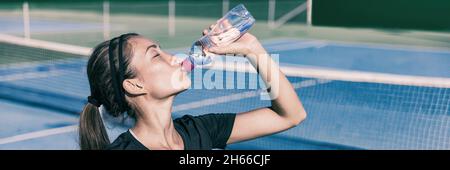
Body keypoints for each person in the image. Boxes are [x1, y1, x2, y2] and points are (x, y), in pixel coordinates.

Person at [79, 26, 306, 150]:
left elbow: (290, 115)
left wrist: (252, 49)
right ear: (134, 84)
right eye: (156, 55)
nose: (175, 58)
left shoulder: (199, 131)